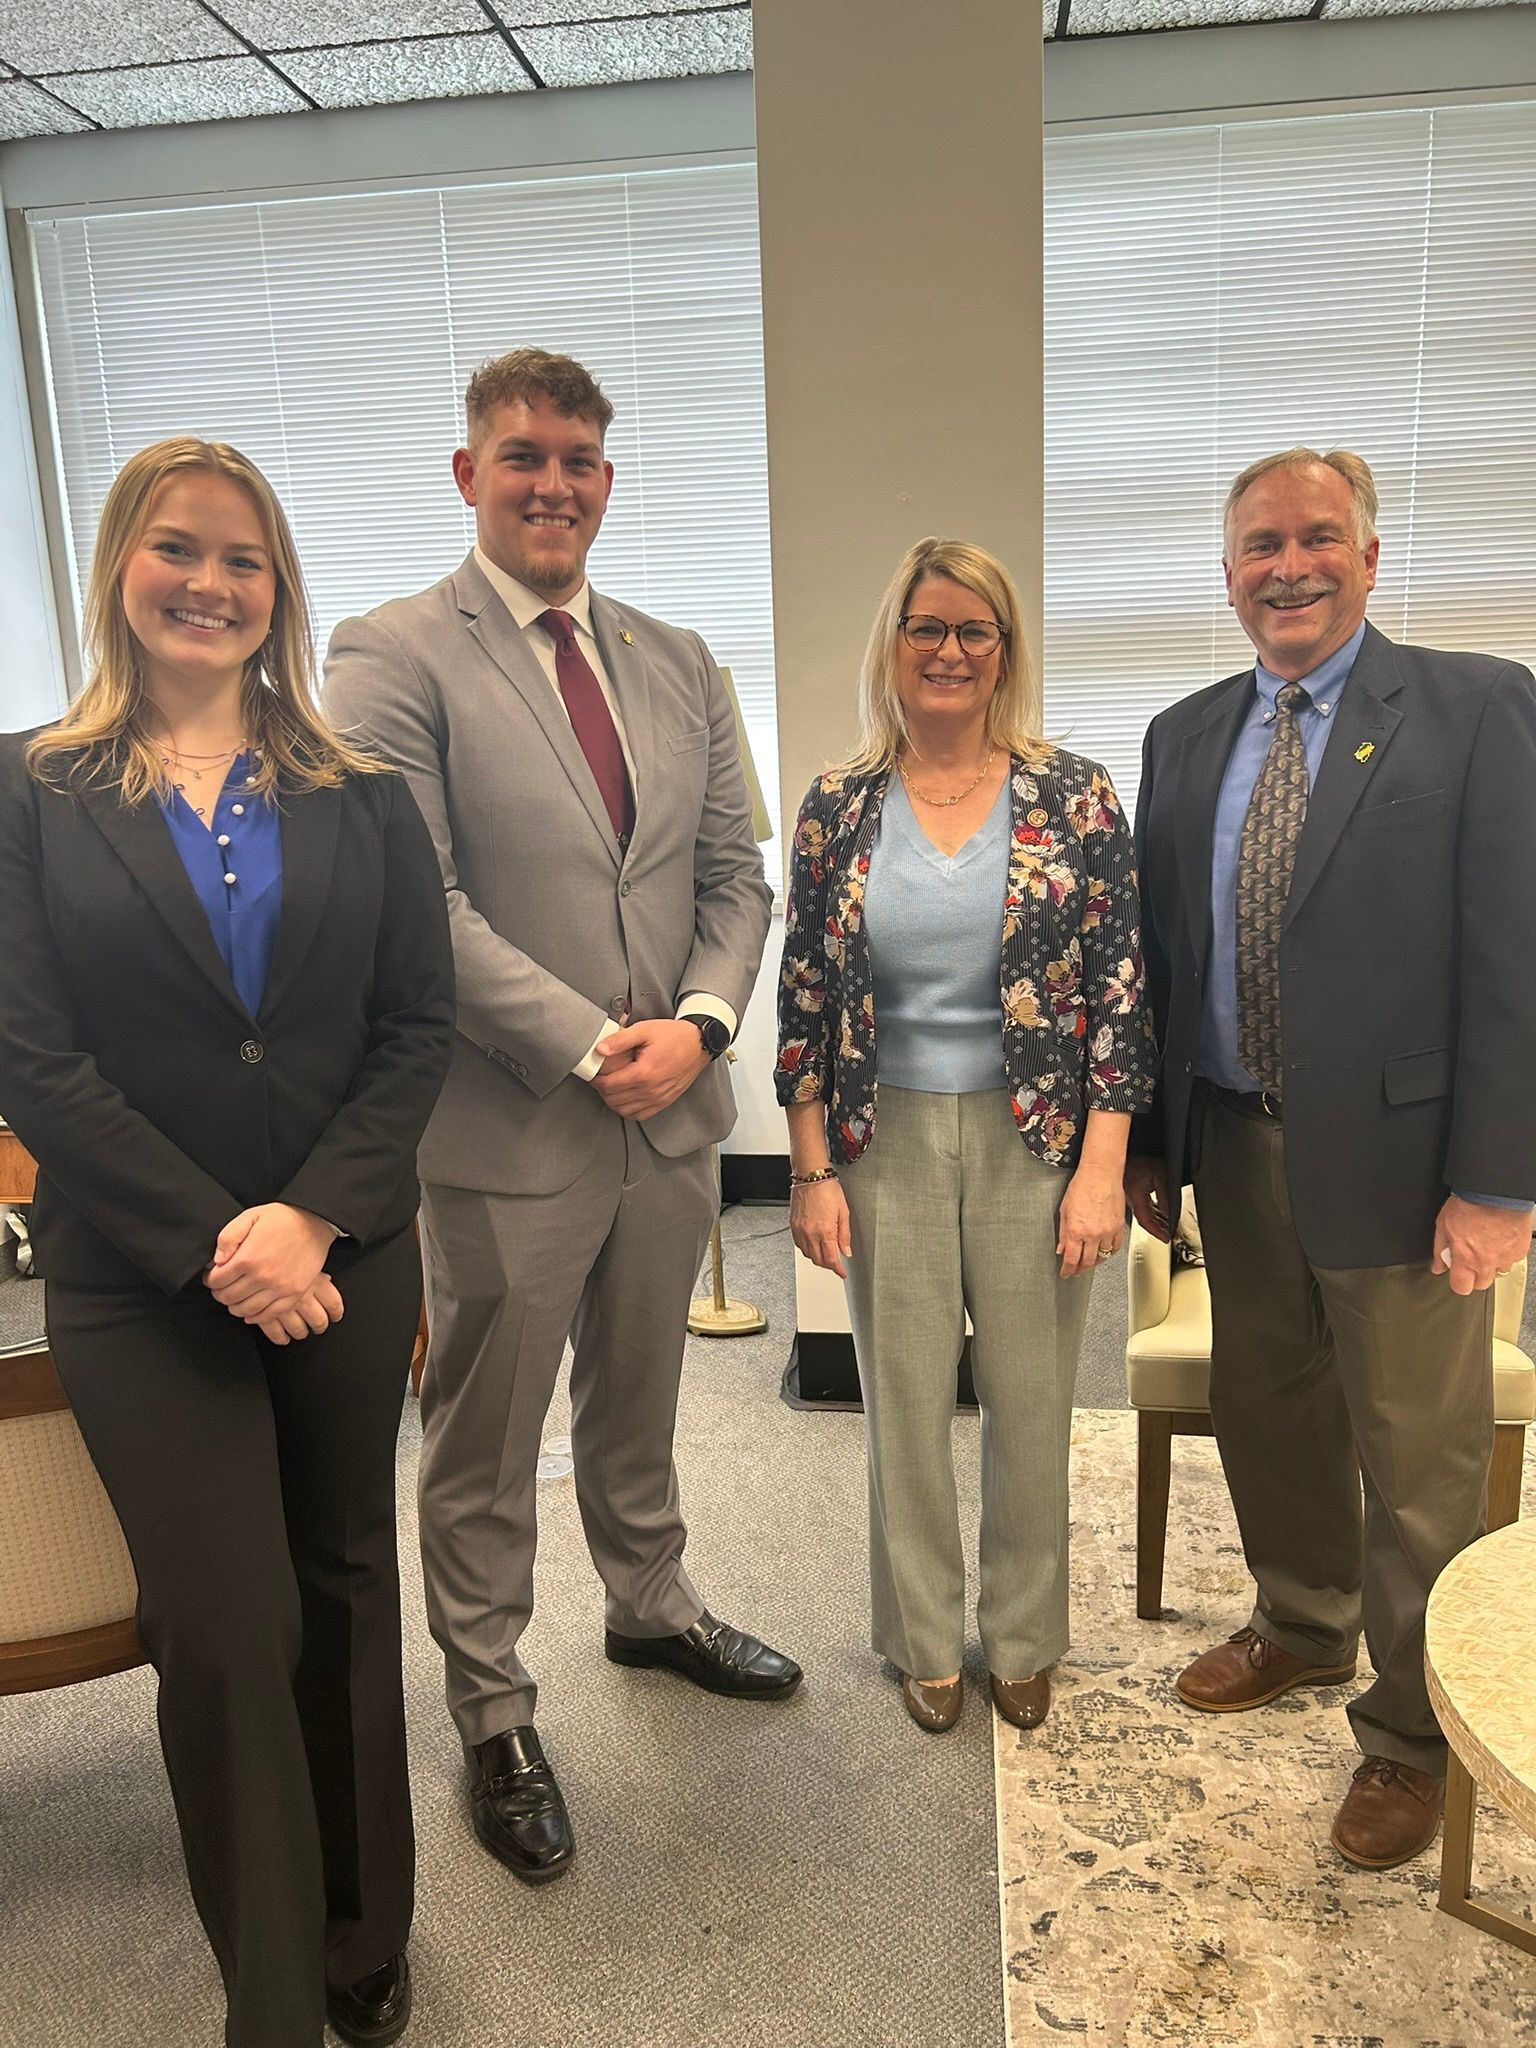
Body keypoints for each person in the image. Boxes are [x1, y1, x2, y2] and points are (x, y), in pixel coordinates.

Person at [0, 438, 455, 2047]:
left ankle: (359, 1934)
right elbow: (30, 1058)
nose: (209, 585)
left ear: (280, 591)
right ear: (123, 563)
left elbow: (417, 1026)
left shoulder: (364, 797)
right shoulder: (30, 788)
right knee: (222, 1618)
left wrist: (314, 1215)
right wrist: (217, 1239)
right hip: (142, 1281)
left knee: (340, 1586)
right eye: (178, 550)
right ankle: (268, 1994)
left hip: (343, 1256)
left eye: (243, 560)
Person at [322, 346, 796, 1886]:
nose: (555, 484)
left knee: (641, 1395)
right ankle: (493, 1707)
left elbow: (738, 879)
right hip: (509, 1127)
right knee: (485, 1429)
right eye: (524, 456)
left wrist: (703, 1025)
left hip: (673, 1120)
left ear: (608, 478)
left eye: (582, 459)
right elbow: (422, 904)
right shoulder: (388, 655)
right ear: (469, 475)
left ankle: (650, 1606)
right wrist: (599, 1041)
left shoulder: (680, 658)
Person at [1126, 446, 1536, 1870]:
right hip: (1234, 1146)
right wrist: (1150, 1153)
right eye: (1258, 546)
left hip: (1416, 1168)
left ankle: (1414, 1733)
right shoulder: (1181, 736)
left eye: (1316, 539)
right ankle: (1302, 1622)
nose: (1286, 566)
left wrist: (1500, 1178)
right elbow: (1164, 965)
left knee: (1418, 1458)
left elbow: (1513, 953)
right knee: (1271, 1405)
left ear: (1369, 555)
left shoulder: (1477, 710)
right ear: (1226, 571)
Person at [777, 537, 1156, 1734]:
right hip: (879, 1131)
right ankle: (924, 1634)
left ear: (1004, 650)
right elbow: (802, 997)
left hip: (1034, 1137)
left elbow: (1120, 993)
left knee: (1030, 1395)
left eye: (973, 630)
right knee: (900, 1393)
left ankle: (1028, 1631)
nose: (948, 651)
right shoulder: (840, 803)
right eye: (925, 628)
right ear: (892, 645)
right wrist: (808, 1168)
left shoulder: (1074, 793)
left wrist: (1103, 1169)